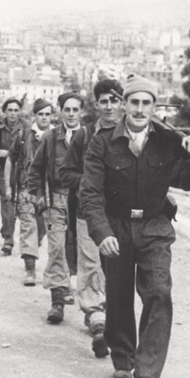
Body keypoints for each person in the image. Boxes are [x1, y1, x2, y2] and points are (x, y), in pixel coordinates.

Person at [79, 74, 190, 378]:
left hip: (154, 227)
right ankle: (123, 360)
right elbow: (90, 194)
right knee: (119, 295)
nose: (140, 109)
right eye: (134, 102)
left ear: (155, 107)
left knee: (158, 292)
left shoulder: (167, 138)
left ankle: (148, 373)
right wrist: (101, 233)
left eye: (147, 103)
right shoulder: (102, 141)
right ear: (124, 105)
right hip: (116, 227)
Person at [58, 79, 124, 358]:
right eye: (103, 101)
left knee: (117, 270)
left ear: (122, 103)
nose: (109, 106)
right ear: (96, 105)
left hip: (121, 216)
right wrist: (91, 180)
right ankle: (97, 320)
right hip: (88, 212)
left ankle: (108, 316)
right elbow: (65, 174)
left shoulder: (132, 133)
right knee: (90, 263)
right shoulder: (83, 136)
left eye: (114, 100)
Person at [27, 92, 83, 324]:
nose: (70, 114)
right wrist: (38, 195)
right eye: (66, 110)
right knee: (57, 248)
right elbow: (36, 169)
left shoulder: (91, 137)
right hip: (56, 201)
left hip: (83, 203)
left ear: (81, 112)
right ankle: (57, 300)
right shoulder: (50, 138)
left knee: (86, 251)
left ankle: (94, 309)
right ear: (60, 112)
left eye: (75, 110)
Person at [5, 98, 51, 286]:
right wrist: (8, 186)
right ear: (35, 116)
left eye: (47, 114)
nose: (44, 118)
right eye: (40, 114)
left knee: (42, 230)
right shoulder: (24, 135)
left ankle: (34, 249)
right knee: (27, 227)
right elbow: (10, 159)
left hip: (49, 192)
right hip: (26, 189)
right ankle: (30, 269)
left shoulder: (57, 136)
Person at [0, 97, 30, 255]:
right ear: (5, 111)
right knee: (7, 203)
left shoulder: (27, 127)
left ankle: (8, 227)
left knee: (23, 205)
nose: (13, 113)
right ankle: (8, 239)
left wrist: (8, 153)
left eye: (16, 110)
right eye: (10, 110)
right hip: (4, 171)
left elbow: (30, 150)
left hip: (23, 171)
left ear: (20, 111)